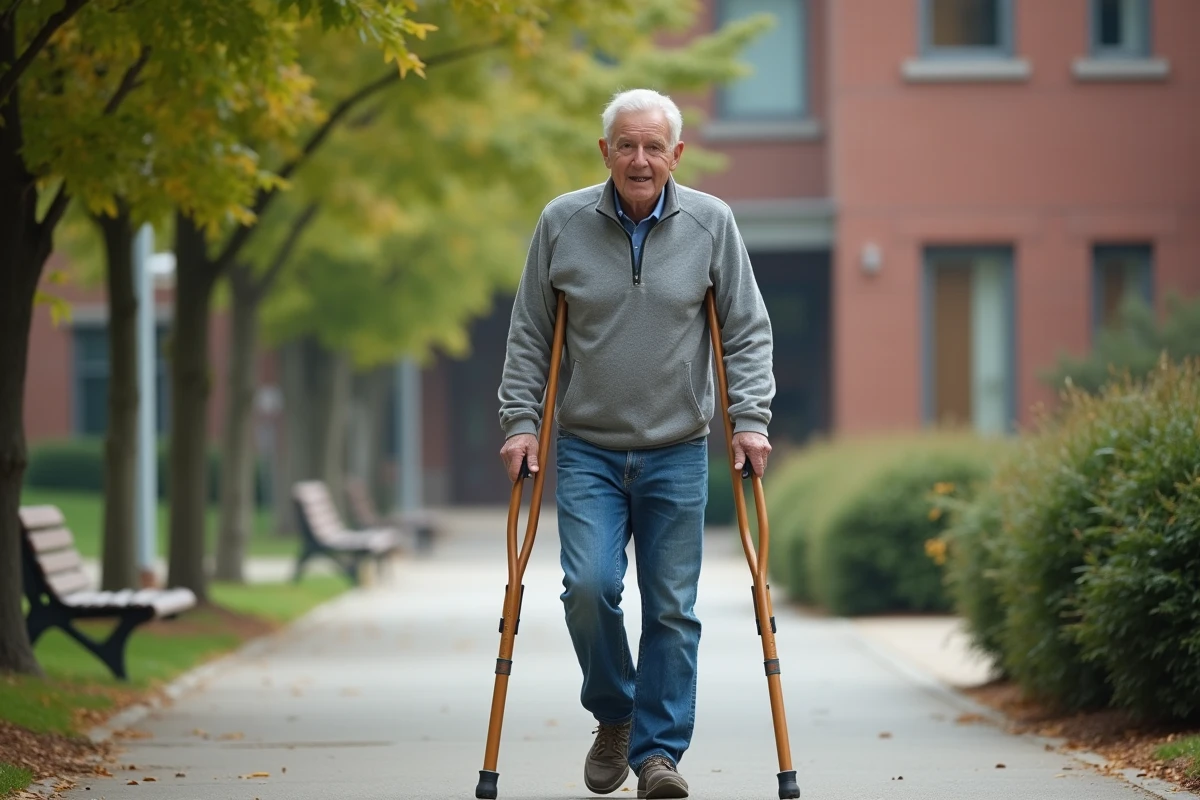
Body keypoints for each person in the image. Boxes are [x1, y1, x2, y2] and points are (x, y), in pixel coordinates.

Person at [497, 88, 774, 800]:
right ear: (606, 152)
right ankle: (615, 712)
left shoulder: (712, 224)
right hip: (588, 446)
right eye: (627, 145)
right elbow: (530, 332)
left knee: (673, 609)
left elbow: (744, 328)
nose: (641, 159)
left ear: (676, 154)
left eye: (654, 146)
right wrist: (521, 423)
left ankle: (658, 756)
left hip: (678, 446)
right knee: (588, 588)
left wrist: (751, 420)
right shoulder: (562, 222)